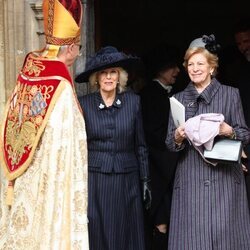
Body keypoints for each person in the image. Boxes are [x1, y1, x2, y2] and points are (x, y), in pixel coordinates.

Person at [0, 0, 89, 249]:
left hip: (23, 178)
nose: (78, 54)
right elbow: (66, 144)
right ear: (69, 47)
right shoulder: (59, 86)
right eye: (78, 48)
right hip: (49, 183)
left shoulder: (29, 71)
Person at [165, 34, 250, 250]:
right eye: (190, 64)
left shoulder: (230, 95)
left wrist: (228, 130)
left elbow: (244, 134)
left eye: (200, 63)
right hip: (190, 181)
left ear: (212, 67)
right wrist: (178, 136)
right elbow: (169, 142)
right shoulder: (179, 99)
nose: (194, 68)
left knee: (226, 241)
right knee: (192, 241)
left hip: (225, 182)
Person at [75, 46, 151, 250]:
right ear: (96, 78)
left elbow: (141, 145)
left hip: (128, 179)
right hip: (96, 179)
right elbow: (78, 147)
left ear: (120, 77)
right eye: (103, 73)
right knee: (98, 230)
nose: (108, 77)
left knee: (126, 232)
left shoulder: (133, 102)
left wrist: (145, 180)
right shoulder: (84, 104)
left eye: (113, 72)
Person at [140, 45, 180, 250]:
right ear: (160, 69)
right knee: (161, 220)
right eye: (172, 66)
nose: (178, 71)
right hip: (158, 166)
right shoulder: (150, 95)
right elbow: (152, 133)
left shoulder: (164, 93)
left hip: (165, 163)